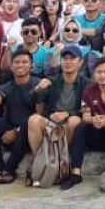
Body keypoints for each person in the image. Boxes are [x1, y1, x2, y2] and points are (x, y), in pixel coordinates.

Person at [61, 57, 105, 190]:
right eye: (99, 72)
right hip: (96, 133)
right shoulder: (89, 90)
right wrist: (95, 120)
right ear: (94, 74)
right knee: (81, 127)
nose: (102, 75)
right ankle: (75, 173)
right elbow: (85, 116)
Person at [25, 45, 87, 185]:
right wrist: (37, 90)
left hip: (69, 124)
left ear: (80, 62)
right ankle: (41, 162)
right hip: (51, 123)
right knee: (34, 119)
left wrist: (67, 113)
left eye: (72, 58)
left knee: (75, 121)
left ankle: (62, 160)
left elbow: (88, 110)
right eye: (65, 58)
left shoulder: (86, 83)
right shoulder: (52, 80)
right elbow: (29, 102)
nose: (68, 61)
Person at [0, 51, 39, 184]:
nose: (20, 65)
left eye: (24, 62)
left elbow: (40, 115)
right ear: (11, 66)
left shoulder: (38, 84)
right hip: (12, 122)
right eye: (17, 62)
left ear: (31, 66)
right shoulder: (7, 86)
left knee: (27, 125)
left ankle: (9, 170)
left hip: (30, 129)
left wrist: (16, 131)